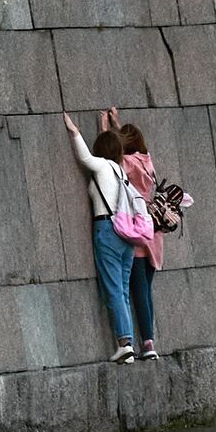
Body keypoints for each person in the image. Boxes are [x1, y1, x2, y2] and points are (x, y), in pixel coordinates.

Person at [63, 111, 137, 363]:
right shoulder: (120, 170)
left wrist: (74, 130)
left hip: (107, 229)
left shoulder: (103, 166)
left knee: (114, 288)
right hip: (127, 236)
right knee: (123, 289)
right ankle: (128, 345)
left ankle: (124, 342)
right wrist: (103, 127)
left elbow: (85, 157)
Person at [102, 107, 161, 360]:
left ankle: (147, 344)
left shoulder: (126, 163)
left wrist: (106, 130)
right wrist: (118, 123)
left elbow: (110, 157)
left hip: (135, 231)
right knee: (146, 289)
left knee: (135, 290)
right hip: (153, 233)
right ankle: (149, 338)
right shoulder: (147, 160)